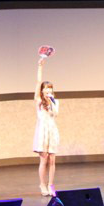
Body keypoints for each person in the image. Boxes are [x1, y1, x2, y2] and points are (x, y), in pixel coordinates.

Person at [34, 57, 60, 196]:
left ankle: (50, 185)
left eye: (50, 88)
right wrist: (40, 67)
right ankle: (42, 185)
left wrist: (52, 103)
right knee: (43, 160)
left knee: (52, 160)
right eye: (46, 88)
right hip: (42, 132)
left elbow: (56, 114)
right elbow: (38, 82)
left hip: (52, 131)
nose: (48, 90)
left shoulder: (55, 101)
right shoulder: (38, 100)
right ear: (42, 90)